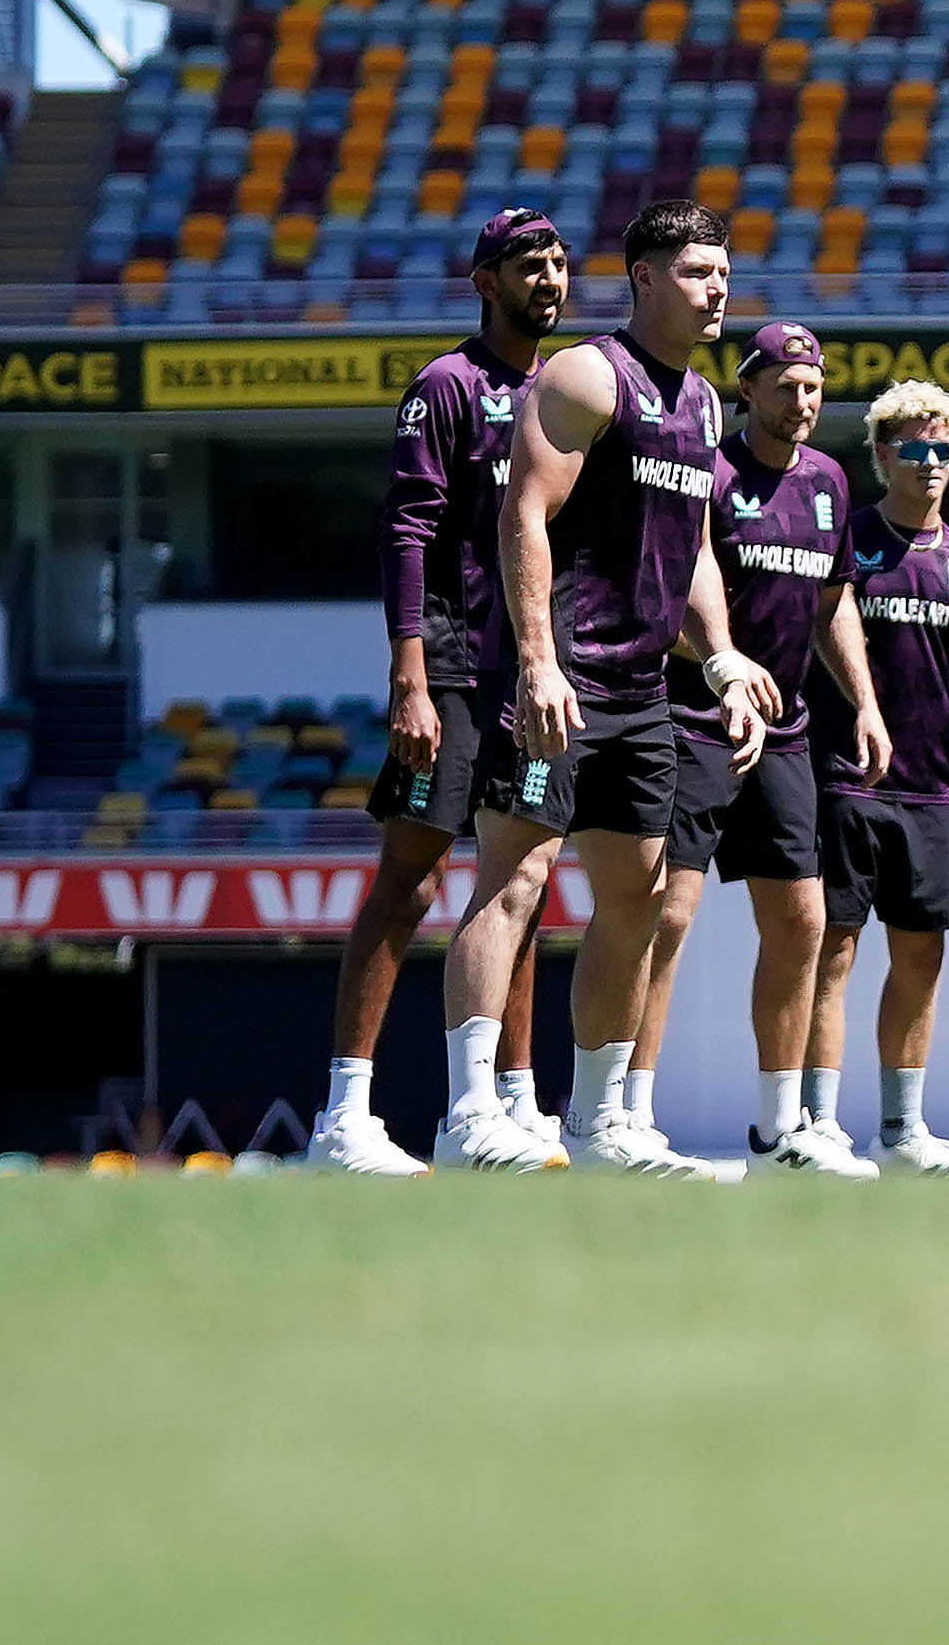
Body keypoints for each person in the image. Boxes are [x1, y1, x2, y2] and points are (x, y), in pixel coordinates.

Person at [437, 199, 784, 1176]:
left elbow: (696, 549)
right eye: (696, 271)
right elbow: (524, 512)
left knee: (638, 898)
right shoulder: (589, 373)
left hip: (644, 692)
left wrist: (717, 655)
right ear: (643, 276)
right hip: (561, 677)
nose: (717, 287)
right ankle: (467, 1115)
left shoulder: (707, 403)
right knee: (515, 879)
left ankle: (596, 1124)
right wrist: (539, 660)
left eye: (722, 271)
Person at [311, 206, 569, 1177]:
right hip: (456, 668)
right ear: (484, 280)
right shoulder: (447, 386)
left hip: (536, 672)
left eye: (557, 262)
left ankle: (515, 1101)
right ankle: (345, 1116)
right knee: (412, 880)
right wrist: (410, 675)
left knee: (524, 883)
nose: (547, 277)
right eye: (525, 264)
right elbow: (408, 530)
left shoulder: (567, 392)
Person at [635, 323, 884, 1179]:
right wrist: (720, 673)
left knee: (803, 922)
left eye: (814, 387)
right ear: (749, 388)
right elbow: (664, 594)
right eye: (786, 385)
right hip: (688, 714)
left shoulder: (829, 482)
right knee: (664, 917)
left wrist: (865, 701)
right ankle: (625, 1115)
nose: (803, 401)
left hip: (782, 730)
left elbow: (833, 604)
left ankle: (783, 1129)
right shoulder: (709, 473)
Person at [803, 380, 949, 1178]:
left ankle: (902, 1133)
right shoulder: (848, 544)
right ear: (881, 455)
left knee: (920, 959)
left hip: (932, 790)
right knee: (830, 950)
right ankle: (816, 1125)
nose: (932, 462)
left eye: (944, 449)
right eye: (915, 448)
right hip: (844, 780)